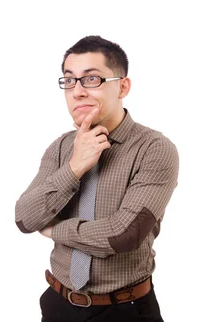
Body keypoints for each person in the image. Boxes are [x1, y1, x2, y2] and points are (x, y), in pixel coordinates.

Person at [15, 35, 178, 321]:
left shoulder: (154, 148)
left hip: (124, 309)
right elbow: (24, 219)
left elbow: (125, 233)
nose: (77, 91)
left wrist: (55, 230)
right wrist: (74, 167)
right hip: (57, 304)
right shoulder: (62, 147)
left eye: (91, 80)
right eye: (69, 80)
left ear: (122, 86)